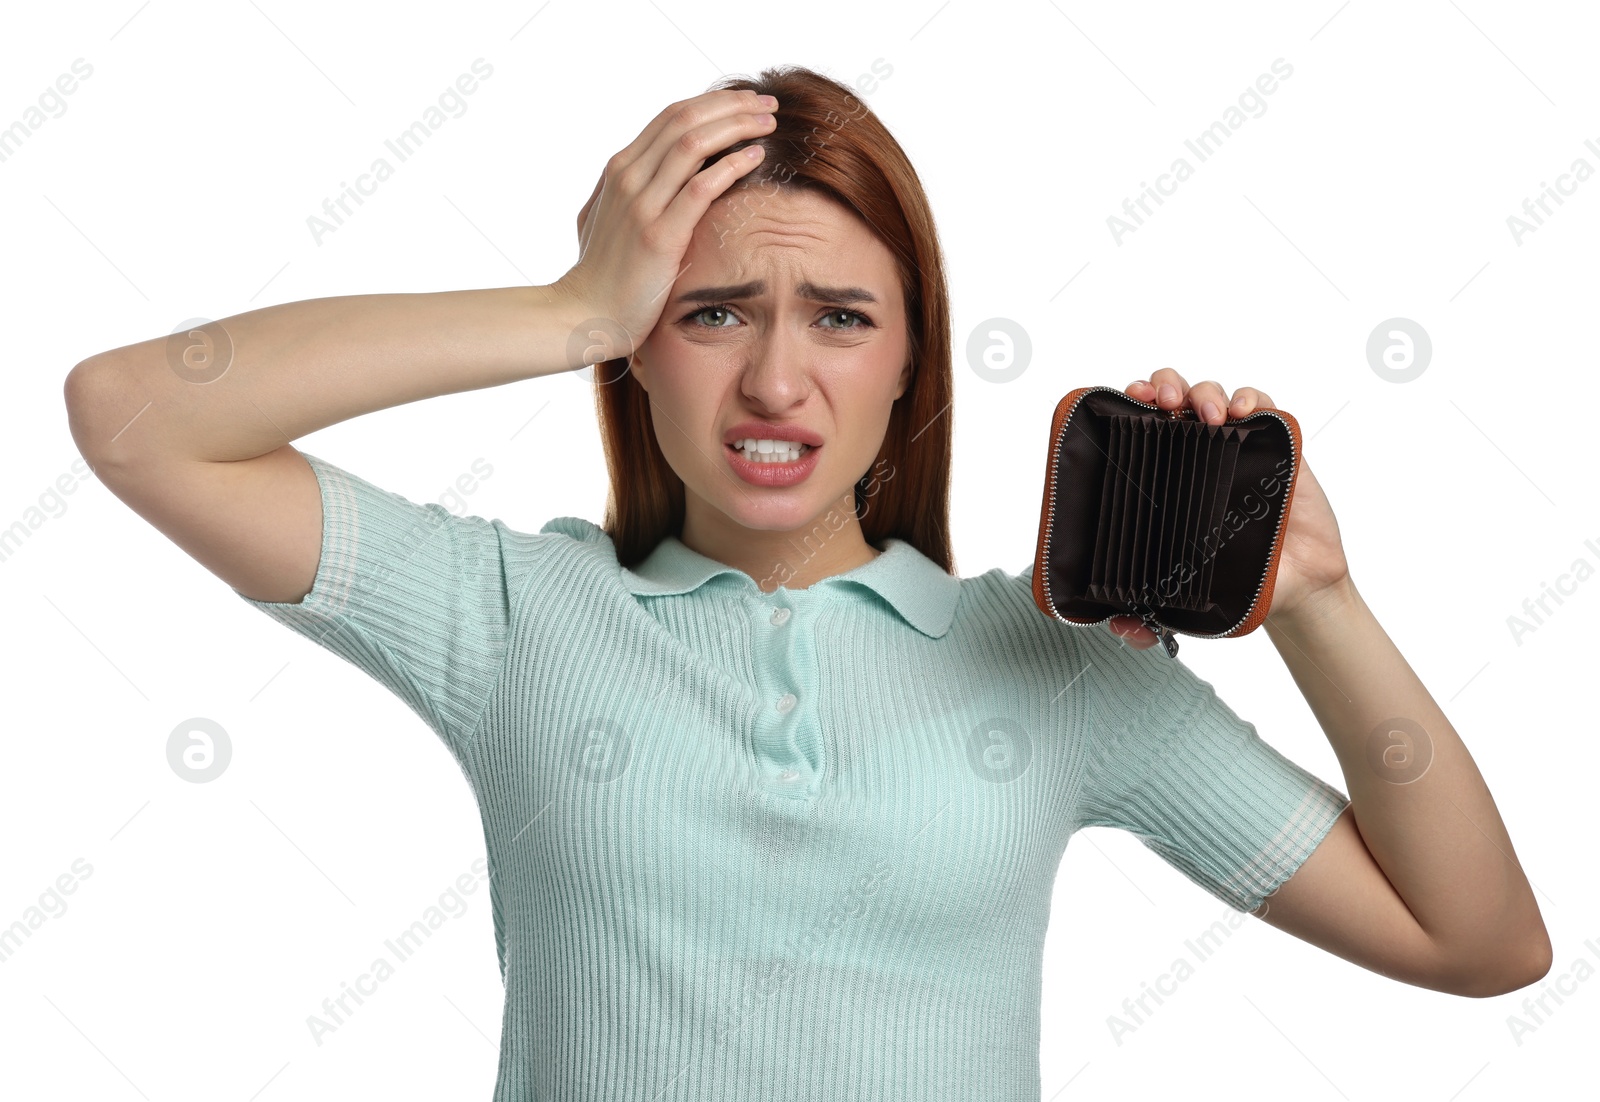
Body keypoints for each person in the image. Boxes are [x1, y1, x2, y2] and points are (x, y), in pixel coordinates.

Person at [64, 64, 1549, 1100]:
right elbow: (135, 413)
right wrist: (565, 302)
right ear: (641, 347)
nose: (775, 379)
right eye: (713, 311)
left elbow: (1478, 940)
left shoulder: (1054, 661)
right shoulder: (512, 617)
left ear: (911, 360)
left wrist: (1320, 604)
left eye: (840, 316)